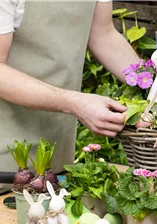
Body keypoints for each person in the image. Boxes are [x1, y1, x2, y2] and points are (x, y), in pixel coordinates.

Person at [0, 0, 141, 193]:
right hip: (5, 163)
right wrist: (75, 102)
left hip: (57, 158)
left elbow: (103, 34)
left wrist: (151, 81)